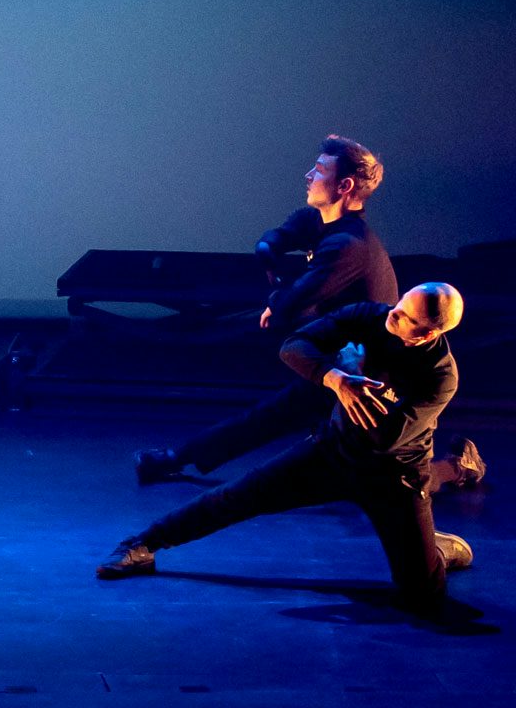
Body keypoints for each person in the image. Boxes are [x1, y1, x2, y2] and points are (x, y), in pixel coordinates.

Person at [98, 284, 473, 618]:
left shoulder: (440, 376)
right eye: (400, 302)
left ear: (425, 334)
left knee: (422, 599)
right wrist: (335, 376)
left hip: (395, 475)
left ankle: (437, 550)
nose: (394, 312)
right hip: (332, 452)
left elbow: (386, 439)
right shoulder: (368, 316)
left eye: (405, 316)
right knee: (237, 496)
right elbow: (294, 345)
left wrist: (359, 381)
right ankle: (142, 544)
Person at [131, 136, 442, 484]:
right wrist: (268, 250)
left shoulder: (349, 246)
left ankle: (458, 465)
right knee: (319, 440)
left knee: (378, 469)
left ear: (345, 186)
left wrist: (276, 299)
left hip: (365, 374)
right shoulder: (322, 221)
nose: (309, 175)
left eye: (320, 170)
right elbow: (285, 233)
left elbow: (292, 302)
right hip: (338, 354)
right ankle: (181, 458)